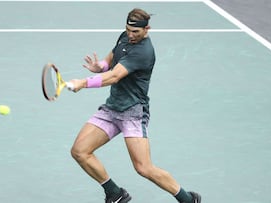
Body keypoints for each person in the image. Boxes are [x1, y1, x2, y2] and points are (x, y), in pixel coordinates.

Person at [68, 8, 201, 203]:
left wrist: (83, 82)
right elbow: (112, 60)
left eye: (136, 32)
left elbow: (114, 76)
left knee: (143, 168)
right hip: (112, 108)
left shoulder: (144, 51)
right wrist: (100, 67)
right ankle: (115, 193)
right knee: (79, 151)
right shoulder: (125, 36)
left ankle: (188, 199)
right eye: (128, 30)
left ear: (147, 29)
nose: (131, 35)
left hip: (133, 113)